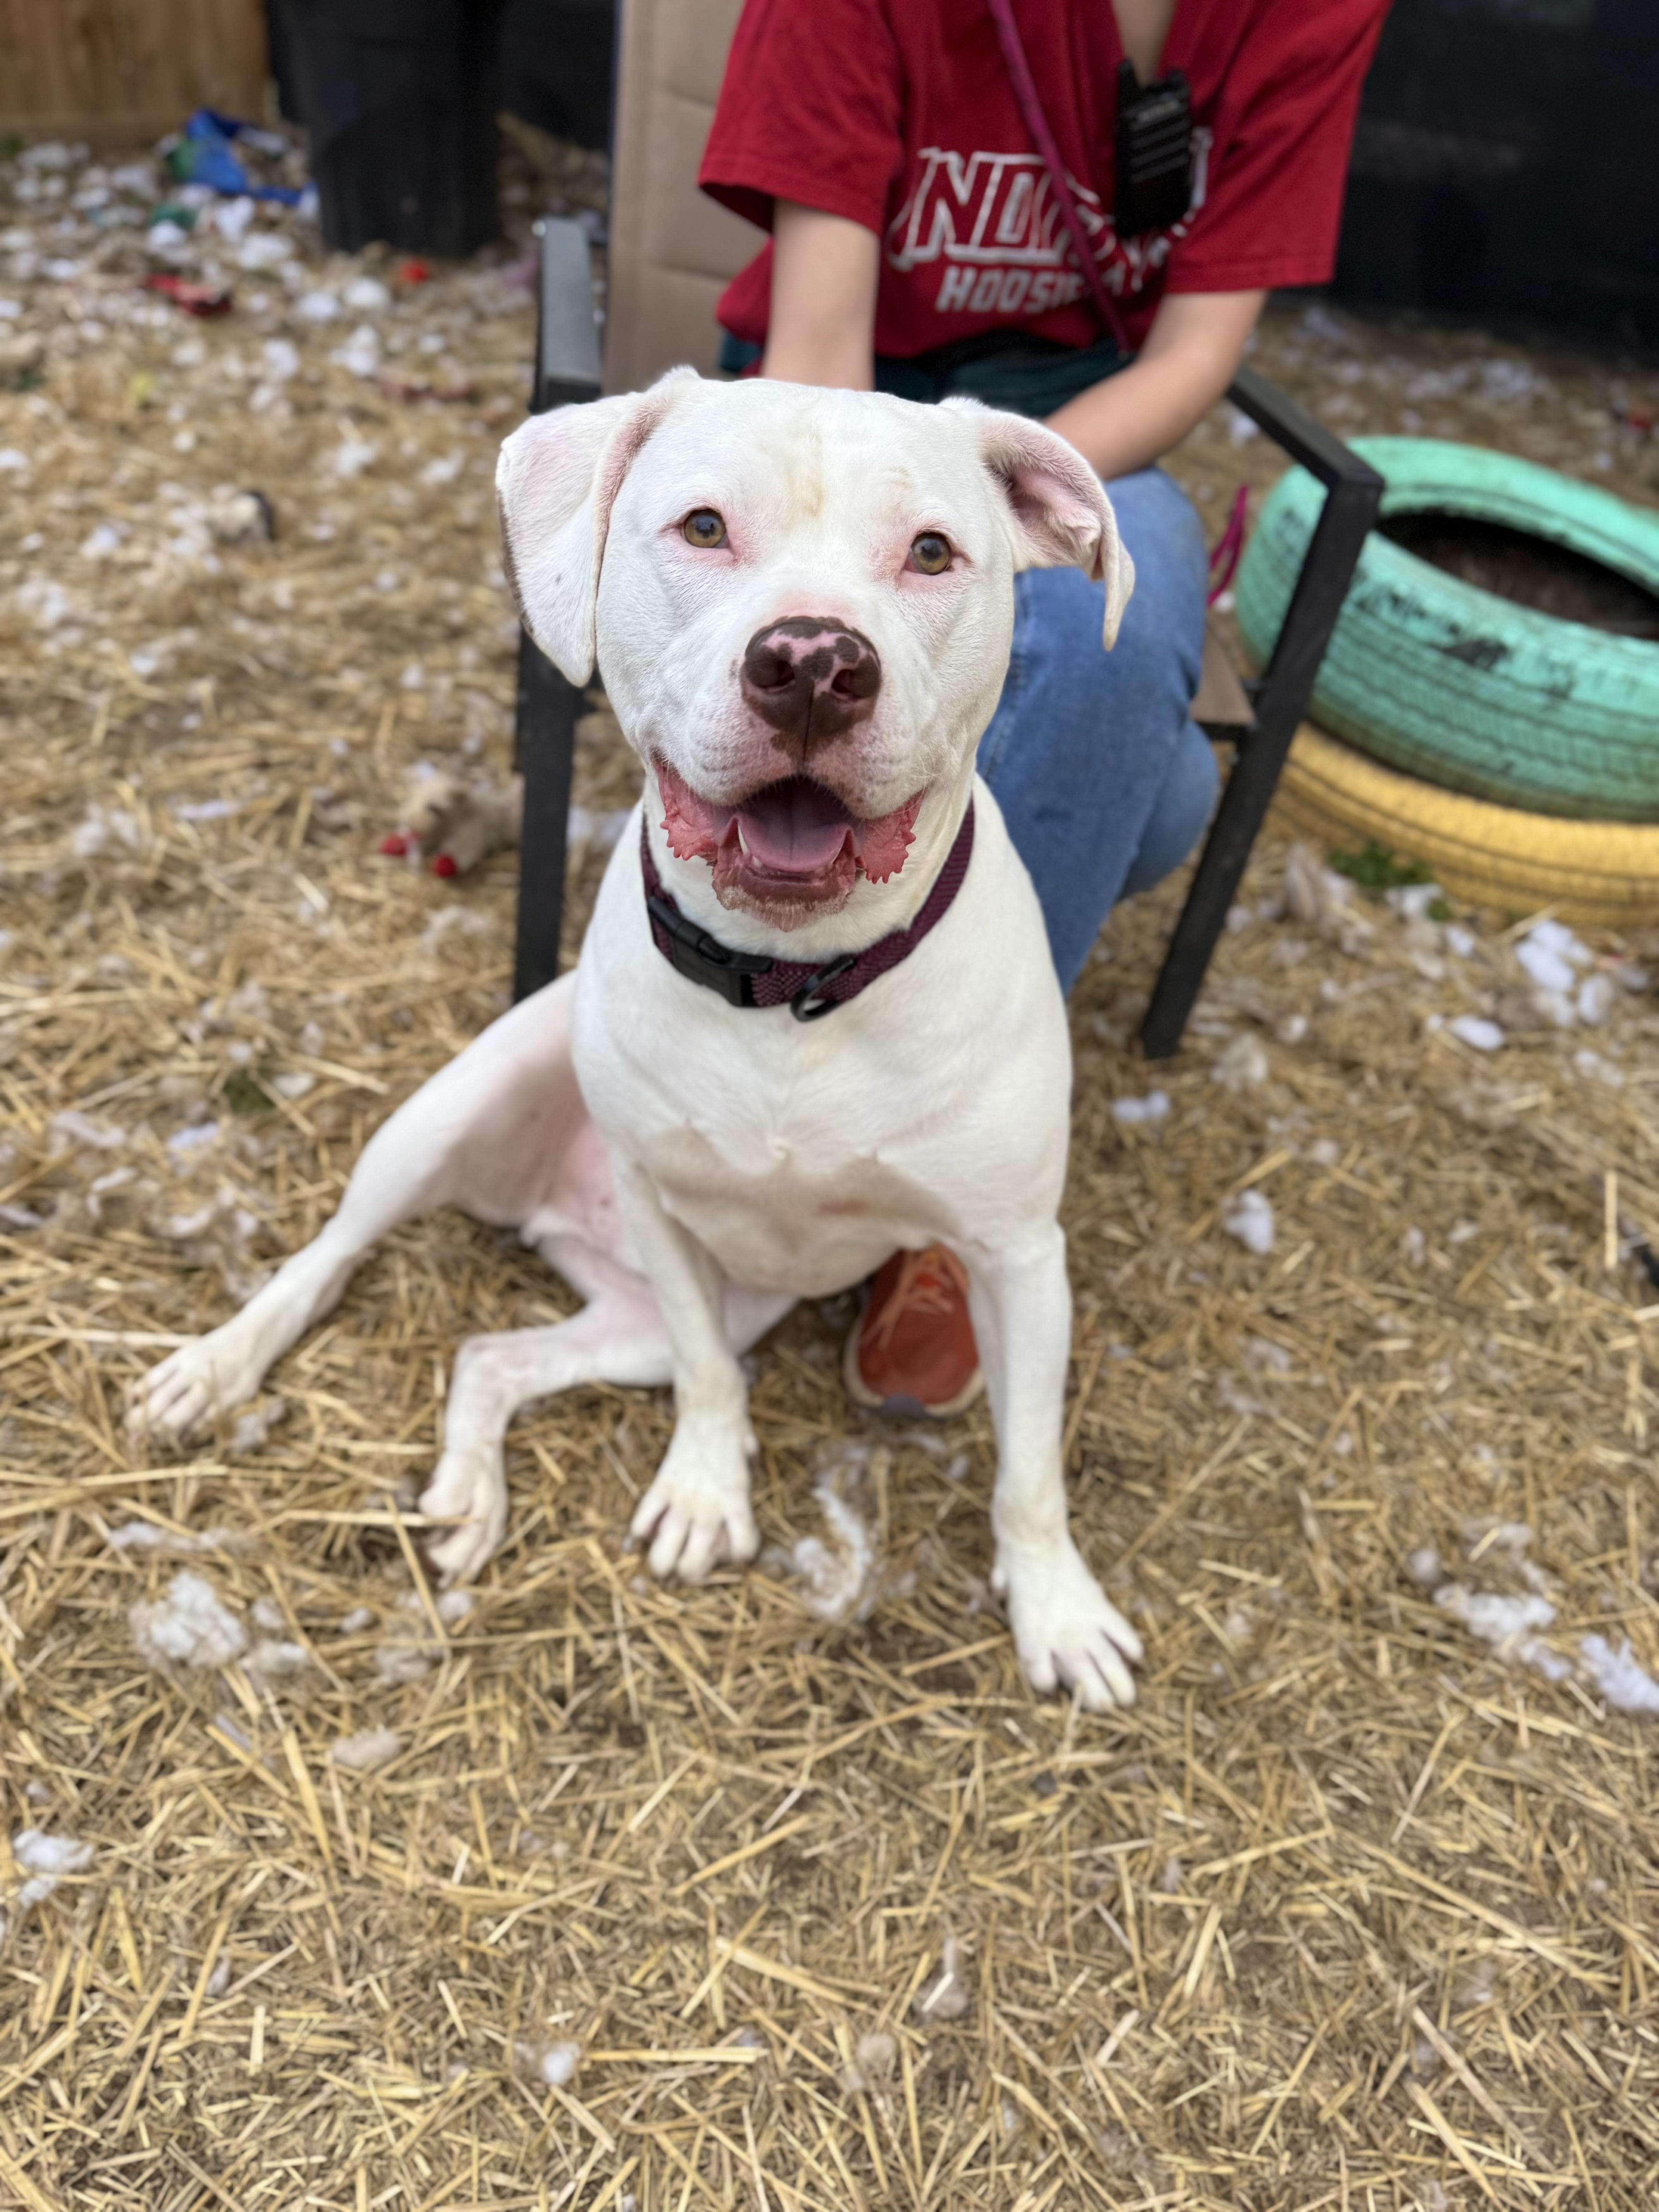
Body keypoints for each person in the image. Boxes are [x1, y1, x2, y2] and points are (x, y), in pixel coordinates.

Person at [697, 0, 1391, 1416]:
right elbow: (816, 347)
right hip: (841, 407)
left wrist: (994, 517)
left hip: (1083, 421)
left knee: (1100, 657)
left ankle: (951, 1161)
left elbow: (1192, 357)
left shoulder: (1310, 16)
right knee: (1163, 799)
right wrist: (903, 547)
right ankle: (780, 1004)